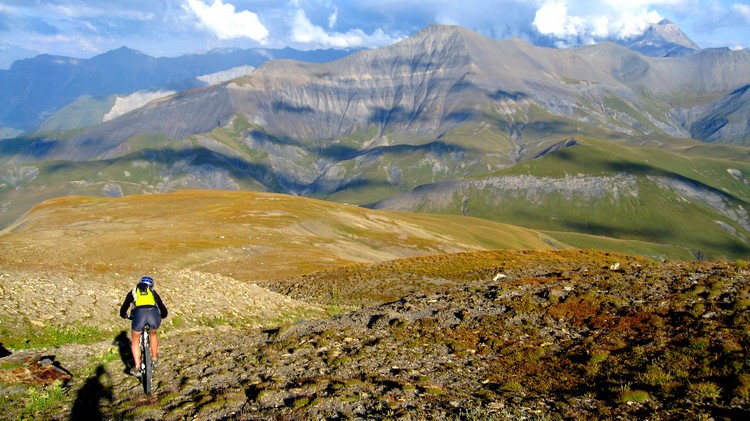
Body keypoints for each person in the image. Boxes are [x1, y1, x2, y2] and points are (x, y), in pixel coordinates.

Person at [119, 276, 168, 377]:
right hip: (153, 314)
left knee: (135, 340)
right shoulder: (153, 292)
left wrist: (123, 314)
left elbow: (125, 306)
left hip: (139, 315)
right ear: (151, 285)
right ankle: (154, 359)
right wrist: (163, 315)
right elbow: (162, 307)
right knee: (153, 334)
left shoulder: (133, 292)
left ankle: (137, 367)